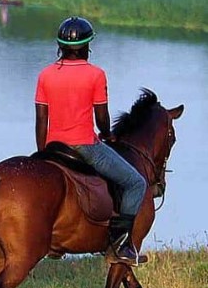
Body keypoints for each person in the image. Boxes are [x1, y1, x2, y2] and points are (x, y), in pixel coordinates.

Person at [34, 17, 147, 265]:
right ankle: (120, 245)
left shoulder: (45, 75)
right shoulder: (96, 75)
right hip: (85, 146)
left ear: (60, 46)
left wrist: (42, 154)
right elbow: (102, 116)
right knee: (136, 183)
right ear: (87, 46)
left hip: (54, 148)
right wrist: (107, 135)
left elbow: (41, 120)